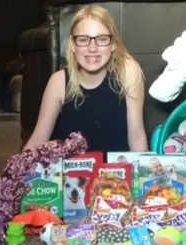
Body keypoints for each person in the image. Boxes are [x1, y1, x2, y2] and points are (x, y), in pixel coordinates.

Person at [23, 6, 148, 153]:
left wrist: (145, 172)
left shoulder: (128, 72)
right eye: (83, 40)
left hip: (118, 173)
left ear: (113, 43)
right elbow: (38, 140)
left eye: (102, 39)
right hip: (72, 174)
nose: (92, 48)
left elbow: (137, 135)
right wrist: (15, 171)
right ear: (72, 44)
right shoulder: (58, 82)